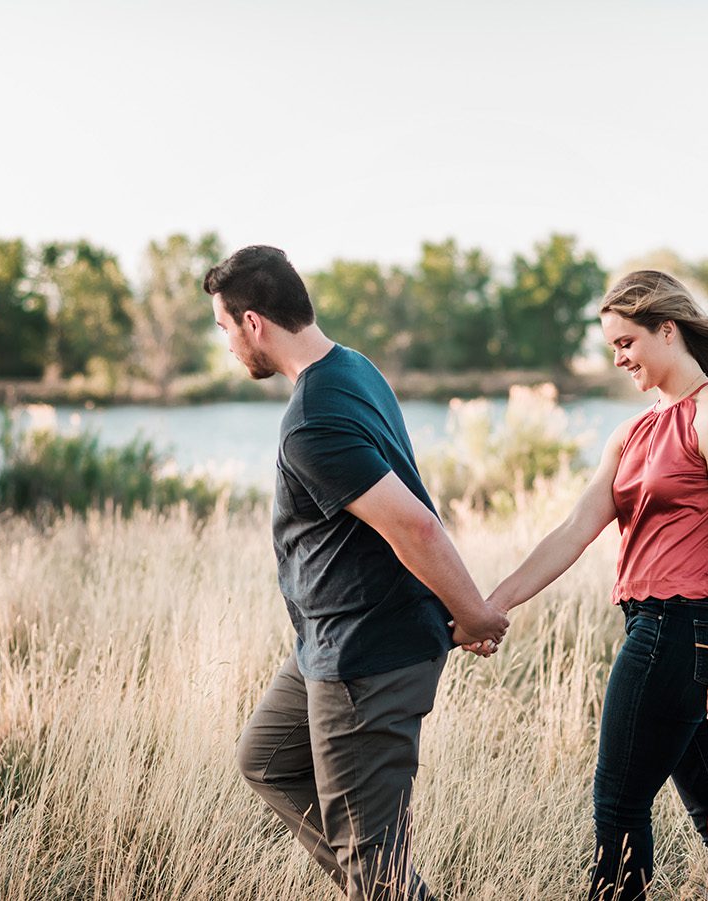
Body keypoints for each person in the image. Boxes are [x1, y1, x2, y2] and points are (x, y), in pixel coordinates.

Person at [206, 246, 508, 901]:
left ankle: (381, 882)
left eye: (224, 326)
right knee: (266, 757)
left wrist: (475, 611)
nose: (224, 341)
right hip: (326, 645)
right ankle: (386, 881)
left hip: (364, 658)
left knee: (373, 866)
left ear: (253, 321)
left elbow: (414, 524)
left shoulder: (311, 421)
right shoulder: (354, 368)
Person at [478, 271, 708, 900]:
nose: (619, 358)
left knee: (618, 808)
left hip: (683, 631)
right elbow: (573, 530)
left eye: (627, 342)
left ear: (668, 330)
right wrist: (491, 603)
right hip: (653, 626)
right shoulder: (635, 431)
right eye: (612, 346)